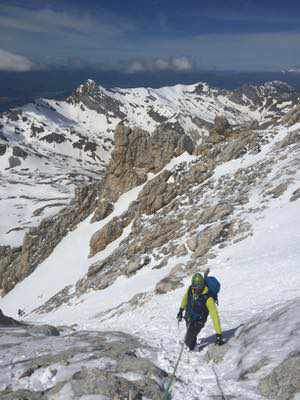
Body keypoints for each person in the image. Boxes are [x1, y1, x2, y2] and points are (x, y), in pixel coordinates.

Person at [177, 272, 224, 350]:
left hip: (199, 321)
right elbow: (185, 299)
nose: (197, 289)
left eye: (199, 286)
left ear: (202, 285)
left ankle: (191, 348)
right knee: (190, 334)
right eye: (195, 286)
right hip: (188, 315)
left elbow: (214, 316)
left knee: (188, 340)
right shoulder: (190, 289)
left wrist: (219, 334)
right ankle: (192, 344)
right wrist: (181, 310)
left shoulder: (208, 298)